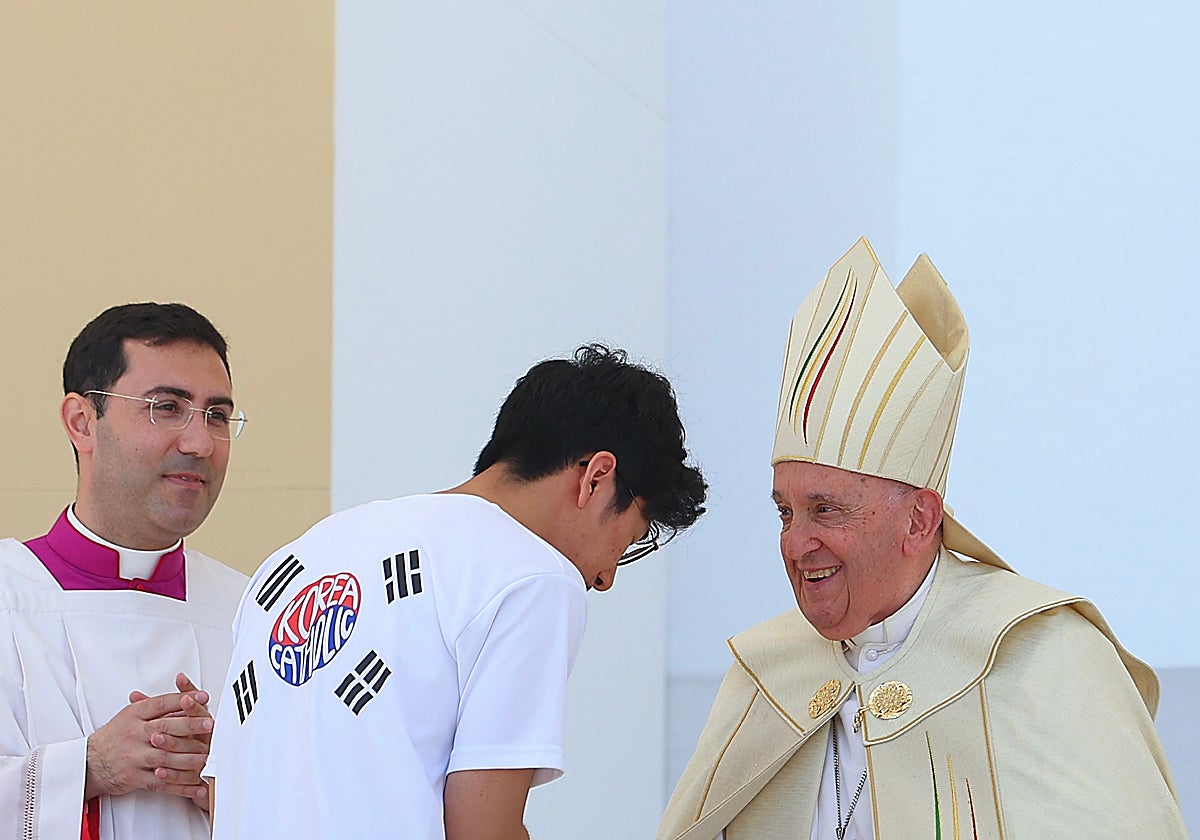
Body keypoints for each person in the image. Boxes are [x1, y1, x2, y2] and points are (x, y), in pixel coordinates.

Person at [659, 238, 1187, 839]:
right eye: (785, 513)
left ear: (918, 520)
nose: (795, 544)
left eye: (826, 511)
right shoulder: (767, 669)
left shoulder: (1048, 657)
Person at [205, 343, 708, 840]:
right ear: (596, 479)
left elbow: (228, 791)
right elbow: (480, 829)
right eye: (628, 539)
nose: (605, 577)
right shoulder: (535, 576)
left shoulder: (303, 553)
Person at [0, 303, 250, 839]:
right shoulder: (7, 595)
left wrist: (240, 788)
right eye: (166, 407)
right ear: (82, 422)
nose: (200, 443)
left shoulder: (252, 612)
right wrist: (88, 768)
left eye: (217, 416)